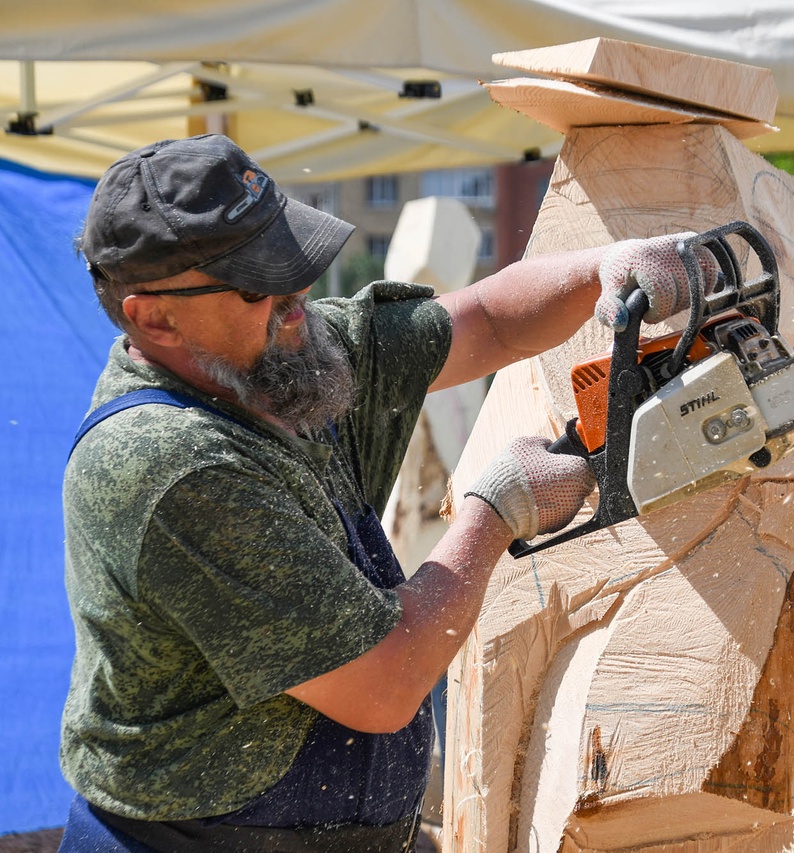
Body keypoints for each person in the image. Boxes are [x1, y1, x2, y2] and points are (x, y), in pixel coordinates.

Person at [58, 133, 715, 852]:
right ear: (153, 315)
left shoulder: (281, 356)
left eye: (293, 260)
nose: (296, 296)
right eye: (258, 284)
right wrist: (496, 510)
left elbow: (485, 321)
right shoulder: (168, 463)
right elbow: (385, 681)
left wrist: (604, 271)